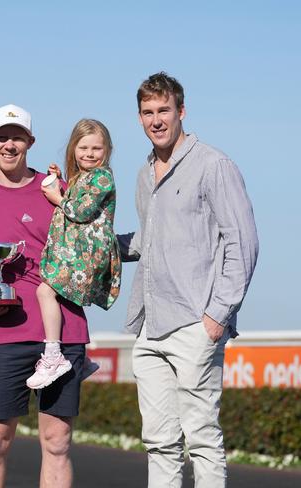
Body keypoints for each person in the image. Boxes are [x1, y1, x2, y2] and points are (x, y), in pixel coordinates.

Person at [119, 72, 259, 487]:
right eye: (147, 112)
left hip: (194, 325)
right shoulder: (145, 174)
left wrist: (216, 317)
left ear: (181, 111)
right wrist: (91, 242)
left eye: (164, 110)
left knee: (201, 441)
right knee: (159, 443)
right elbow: (146, 240)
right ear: (140, 117)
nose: (156, 120)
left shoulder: (213, 165)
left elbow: (244, 243)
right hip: (150, 327)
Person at [0, 104, 89, 488]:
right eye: (2, 137)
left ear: (31, 142)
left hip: (63, 333)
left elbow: (91, 239)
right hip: (3, 334)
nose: (9, 145)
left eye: (18, 137)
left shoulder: (57, 192)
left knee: (57, 442)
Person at [27, 119, 121, 389]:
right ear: (73, 149)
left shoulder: (103, 176)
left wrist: (57, 197)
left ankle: (54, 355)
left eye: (96, 148)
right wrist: (61, 180)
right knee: (66, 299)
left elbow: (80, 211)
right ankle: (84, 359)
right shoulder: (85, 178)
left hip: (87, 254)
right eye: (83, 148)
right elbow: (79, 198)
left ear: (107, 150)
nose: (89, 154)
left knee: (45, 291)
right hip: (79, 252)